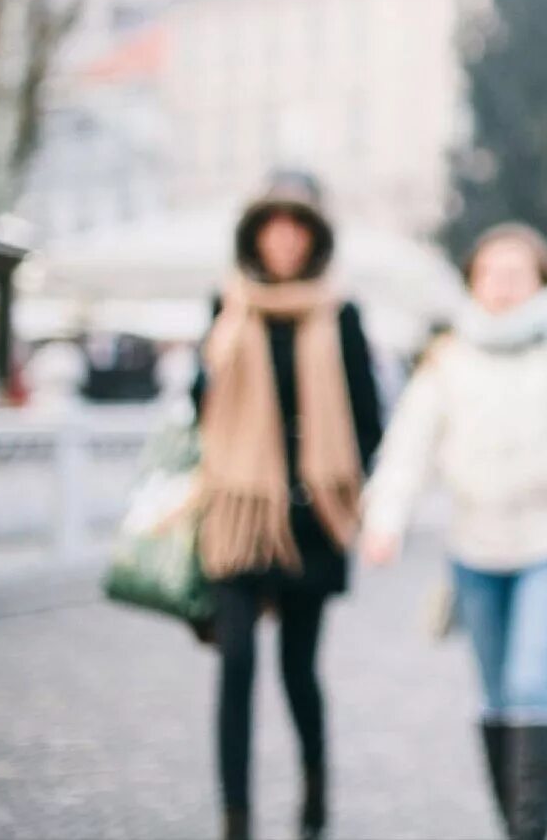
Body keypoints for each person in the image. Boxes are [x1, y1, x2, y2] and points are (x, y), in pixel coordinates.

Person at [360, 223, 547, 840]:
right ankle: (511, 825)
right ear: (472, 281)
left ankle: (528, 833)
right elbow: (409, 446)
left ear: (543, 280)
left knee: (530, 687)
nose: (503, 286)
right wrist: (386, 519)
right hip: (474, 550)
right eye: (491, 273)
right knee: (494, 698)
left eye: (517, 274)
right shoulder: (449, 354)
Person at [193, 171, 383, 840]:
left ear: (314, 238)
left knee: (298, 668)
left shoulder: (341, 313)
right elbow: (201, 408)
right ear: (254, 236)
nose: (284, 239)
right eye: (272, 226)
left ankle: (313, 793)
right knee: (237, 660)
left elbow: (368, 419)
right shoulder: (227, 305)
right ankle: (235, 816)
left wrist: (345, 489)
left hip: (311, 516)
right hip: (239, 511)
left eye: (296, 226)